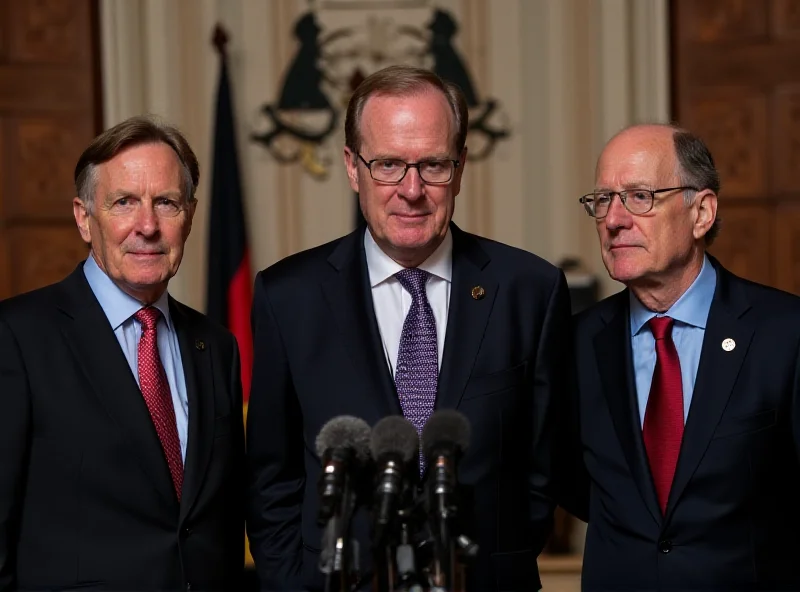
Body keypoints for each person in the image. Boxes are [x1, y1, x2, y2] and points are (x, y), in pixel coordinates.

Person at [245, 65, 572, 592]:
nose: (411, 189)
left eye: (433, 165)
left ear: (460, 167)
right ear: (353, 167)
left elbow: (542, 467)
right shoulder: (289, 297)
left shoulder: (529, 290)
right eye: (388, 165)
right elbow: (271, 478)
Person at [0, 116, 245, 591]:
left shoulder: (217, 347)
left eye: (166, 203)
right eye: (124, 202)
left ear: (190, 216)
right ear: (83, 217)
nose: (147, 226)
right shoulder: (16, 338)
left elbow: (220, 521)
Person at [564, 123, 800, 590]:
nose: (613, 219)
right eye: (602, 200)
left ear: (702, 212)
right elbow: (571, 482)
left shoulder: (783, 333)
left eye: (639, 197)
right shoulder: (575, 344)